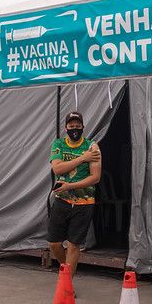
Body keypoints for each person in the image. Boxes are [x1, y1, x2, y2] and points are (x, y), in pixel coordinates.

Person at [48, 111, 101, 283]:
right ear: (66, 128)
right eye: (71, 126)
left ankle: (67, 283)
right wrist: (82, 158)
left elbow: (95, 177)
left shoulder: (92, 146)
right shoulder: (58, 144)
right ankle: (65, 270)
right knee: (54, 243)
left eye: (78, 126)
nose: (75, 129)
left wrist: (70, 185)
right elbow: (57, 169)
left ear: (83, 127)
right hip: (62, 200)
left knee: (73, 244)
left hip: (84, 201)